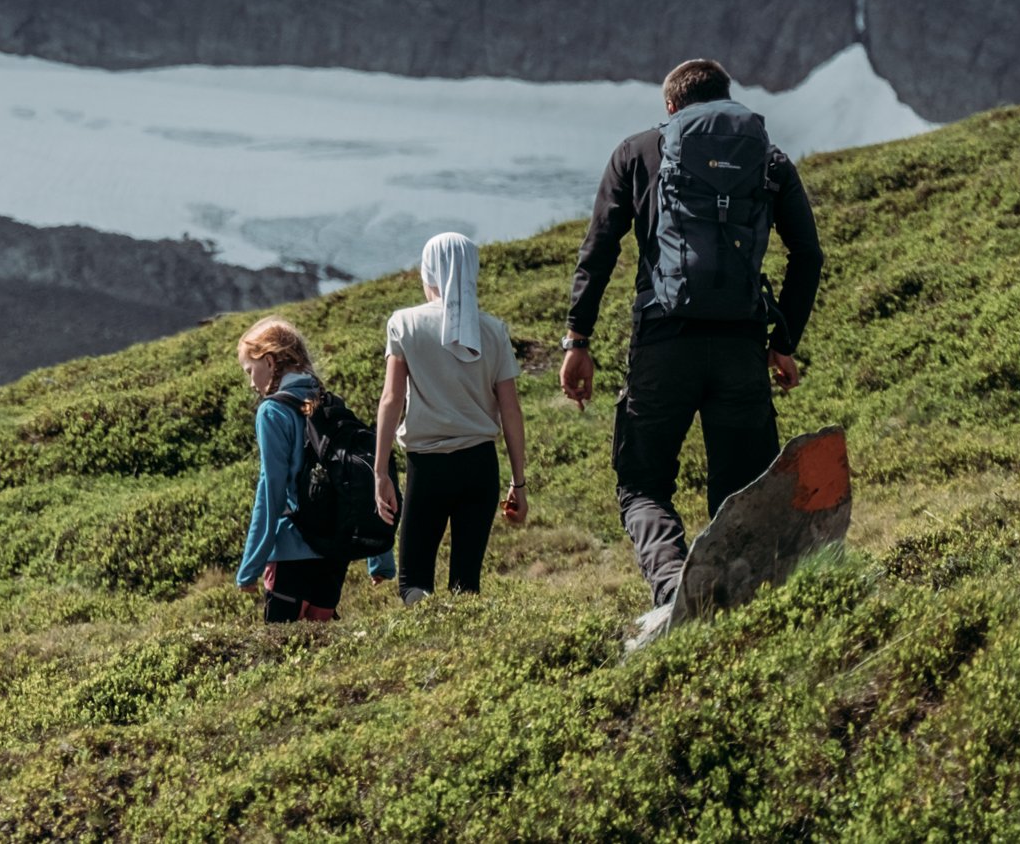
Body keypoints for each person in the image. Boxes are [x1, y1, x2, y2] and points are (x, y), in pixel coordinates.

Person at [560, 59, 826, 615]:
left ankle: (673, 591)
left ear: (671, 107)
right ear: (727, 97)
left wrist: (578, 340)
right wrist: (783, 342)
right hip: (741, 348)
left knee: (642, 483)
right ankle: (738, 601)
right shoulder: (768, 159)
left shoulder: (638, 152)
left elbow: (599, 249)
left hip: (663, 345)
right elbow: (807, 253)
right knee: (741, 489)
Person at [373, 233, 530, 606]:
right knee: (466, 585)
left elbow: (392, 399)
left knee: (413, 583)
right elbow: (510, 410)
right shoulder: (494, 330)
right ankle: (464, 639)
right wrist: (519, 482)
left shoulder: (404, 323)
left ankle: (425, 640)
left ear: (428, 271)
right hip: (480, 465)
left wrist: (380, 472)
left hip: (427, 467)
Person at [234, 317, 344, 622]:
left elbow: (271, 490)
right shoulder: (328, 402)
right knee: (322, 645)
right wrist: (380, 560)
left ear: (269, 362)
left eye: (250, 370)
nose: (251, 383)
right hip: (334, 555)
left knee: (282, 645)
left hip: (291, 552)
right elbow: (353, 477)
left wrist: (250, 567)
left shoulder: (273, 411)